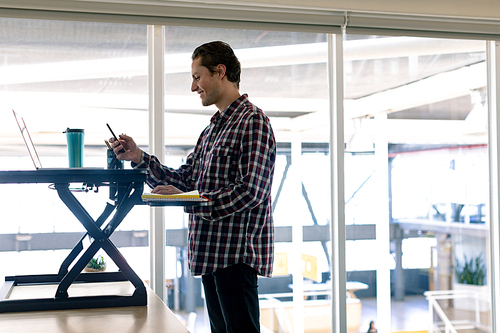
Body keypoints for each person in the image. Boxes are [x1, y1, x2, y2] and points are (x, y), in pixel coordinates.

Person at [110, 41, 276, 333]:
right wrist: (139, 158)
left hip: (235, 258)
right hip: (212, 256)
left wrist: (193, 200)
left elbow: (251, 191)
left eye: (197, 77)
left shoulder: (253, 122)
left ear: (220, 72)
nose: (193, 86)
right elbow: (186, 180)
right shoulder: (212, 130)